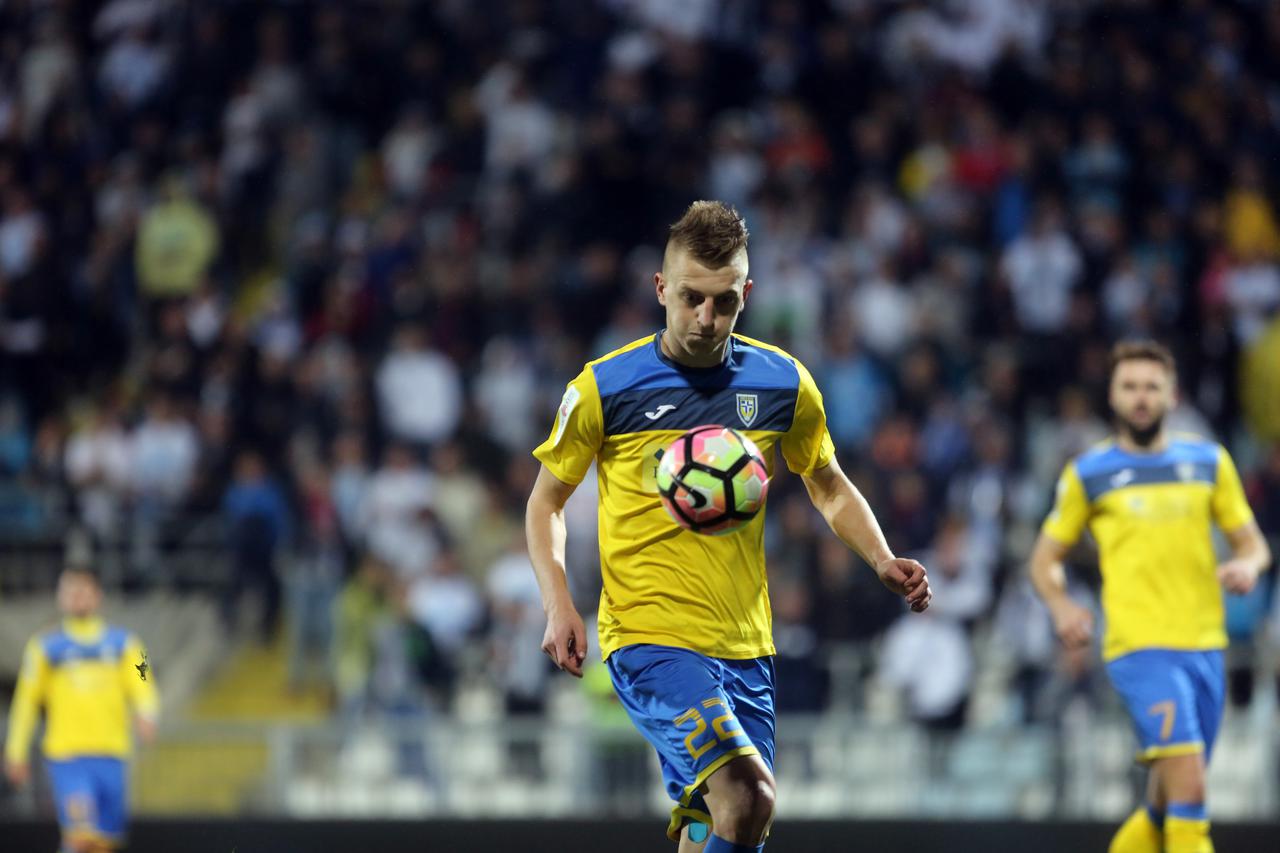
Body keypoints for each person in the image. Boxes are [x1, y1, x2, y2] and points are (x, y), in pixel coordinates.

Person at [525, 200, 931, 852]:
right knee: (750, 795)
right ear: (661, 289)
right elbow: (544, 502)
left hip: (748, 645)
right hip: (651, 637)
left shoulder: (783, 383)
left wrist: (880, 557)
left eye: (724, 302)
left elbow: (825, 481)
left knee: (721, 825)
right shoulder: (604, 387)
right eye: (690, 298)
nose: (706, 319)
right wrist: (558, 603)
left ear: (747, 294)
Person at [1029, 340, 1271, 853]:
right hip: (1139, 647)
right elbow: (1043, 558)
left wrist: (1247, 566)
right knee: (1191, 788)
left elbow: (1254, 545)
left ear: (1172, 395)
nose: (1141, 397)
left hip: (1206, 644)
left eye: (1151, 387)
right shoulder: (1088, 474)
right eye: (1130, 387)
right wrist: (1061, 604)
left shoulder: (1209, 462)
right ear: (1112, 396)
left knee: (1166, 800)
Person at [4, 563, 159, 853]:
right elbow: (25, 701)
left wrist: (147, 712)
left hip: (113, 754)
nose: (77, 596)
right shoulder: (42, 649)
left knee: (102, 843)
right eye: (70, 590)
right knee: (81, 836)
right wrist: (16, 750)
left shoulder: (129, 645)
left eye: (83, 589)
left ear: (97, 595)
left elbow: (143, 679)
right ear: (60, 597)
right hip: (68, 756)